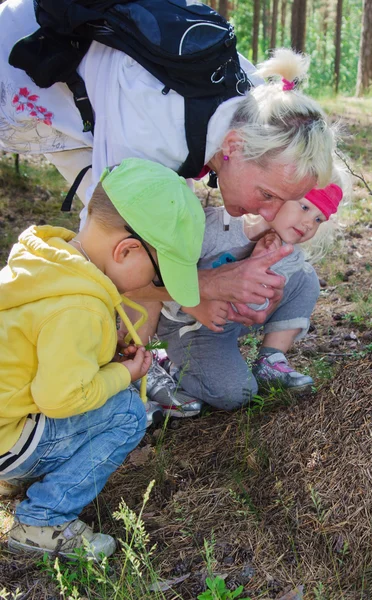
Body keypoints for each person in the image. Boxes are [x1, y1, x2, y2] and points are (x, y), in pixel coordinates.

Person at [0, 0, 338, 338]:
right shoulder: (155, 134)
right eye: (268, 195)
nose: (271, 213)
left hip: (89, 96)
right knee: (129, 238)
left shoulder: (261, 109)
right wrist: (209, 285)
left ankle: (133, 354)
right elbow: (106, 252)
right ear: (233, 146)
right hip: (16, 68)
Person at [0, 157, 205, 559]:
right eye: (158, 276)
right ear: (127, 250)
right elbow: (61, 398)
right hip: (9, 439)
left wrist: (101, 353)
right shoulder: (80, 306)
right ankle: (43, 519)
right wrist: (122, 373)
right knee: (127, 411)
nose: (153, 286)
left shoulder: (44, 263)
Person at [157, 183, 343, 412]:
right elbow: (161, 275)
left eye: (318, 220)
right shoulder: (213, 228)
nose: (308, 224)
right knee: (238, 394)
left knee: (305, 278)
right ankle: (174, 367)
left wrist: (261, 263)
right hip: (188, 324)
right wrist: (193, 303)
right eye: (304, 207)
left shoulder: (288, 252)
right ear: (278, 195)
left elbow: (252, 310)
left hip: (231, 321)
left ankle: (270, 361)